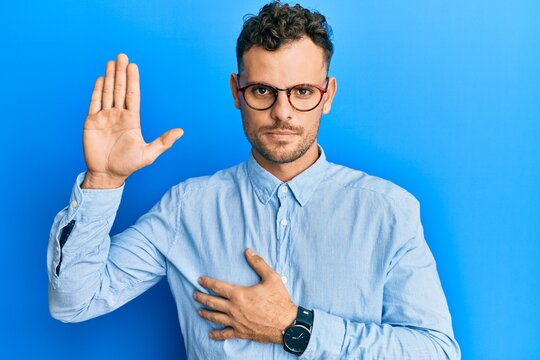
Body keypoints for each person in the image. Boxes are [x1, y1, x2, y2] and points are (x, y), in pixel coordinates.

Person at [47, 1, 460, 359]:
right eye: (263, 90)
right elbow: (74, 301)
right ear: (236, 91)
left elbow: (437, 352)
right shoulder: (186, 209)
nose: (283, 112)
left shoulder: (389, 211)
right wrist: (104, 179)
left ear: (327, 94)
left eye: (301, 91)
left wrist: (297, 326)